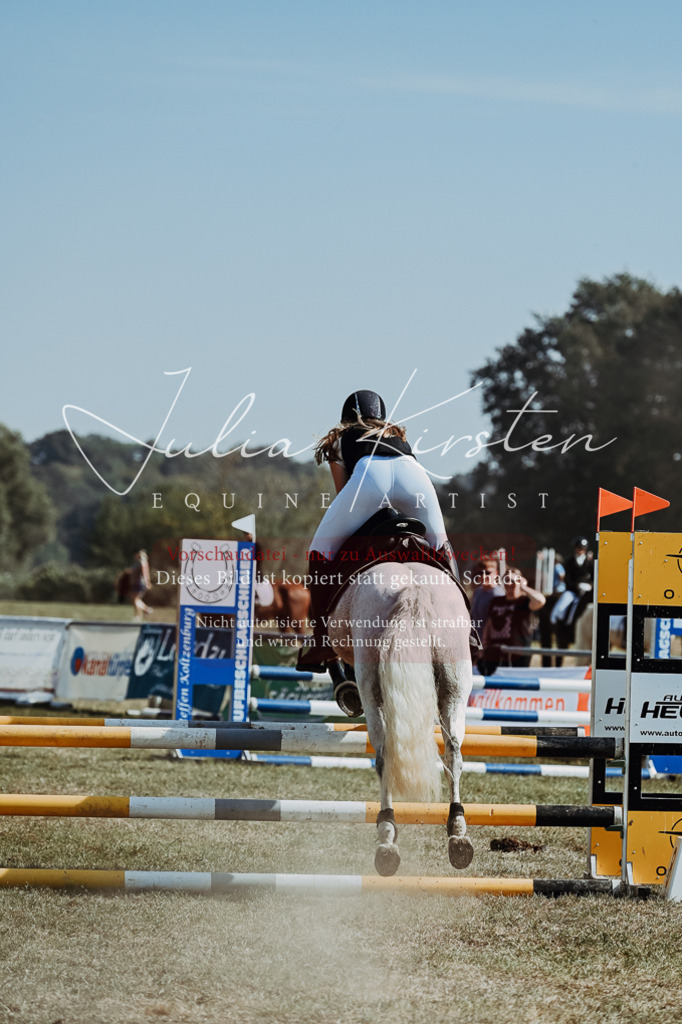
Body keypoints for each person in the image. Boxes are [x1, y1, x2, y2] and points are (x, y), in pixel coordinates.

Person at [298, 389, 458, 714]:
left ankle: (320, 640)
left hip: (368, 479)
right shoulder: (396, 434)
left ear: (346, 416)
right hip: (416, 481)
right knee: (442, 546)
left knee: (319, 551)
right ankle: (466, 631)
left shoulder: (341, 438)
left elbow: (344, 491)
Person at [479, 567, 545, 672]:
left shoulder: (524, 601)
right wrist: (483, 646)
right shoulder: (496, 601)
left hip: (519, 654)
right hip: (495, 653)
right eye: (507, 580)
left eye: (513, 581)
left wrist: (524, 587)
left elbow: (540, 601)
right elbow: (489, 624)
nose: (509, 584)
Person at [549, 536, 594, 628]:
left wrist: (590, 585)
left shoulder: (590, 563)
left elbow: (594, 577)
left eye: (583, 549)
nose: (580, 551)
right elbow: (567, 579)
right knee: (562, 606)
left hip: (586, 591)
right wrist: (577, 586)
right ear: (575, 548)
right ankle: (558, 620)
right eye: (579, 548)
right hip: (572, 591)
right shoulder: (569, 562)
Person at [469, 558, 504, 637]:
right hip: (475, 640)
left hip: (489, 643)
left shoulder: (498, 595)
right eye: (481, 573)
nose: (484, 576)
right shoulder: (477, 592)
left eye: (488, 573)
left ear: (496, 574)